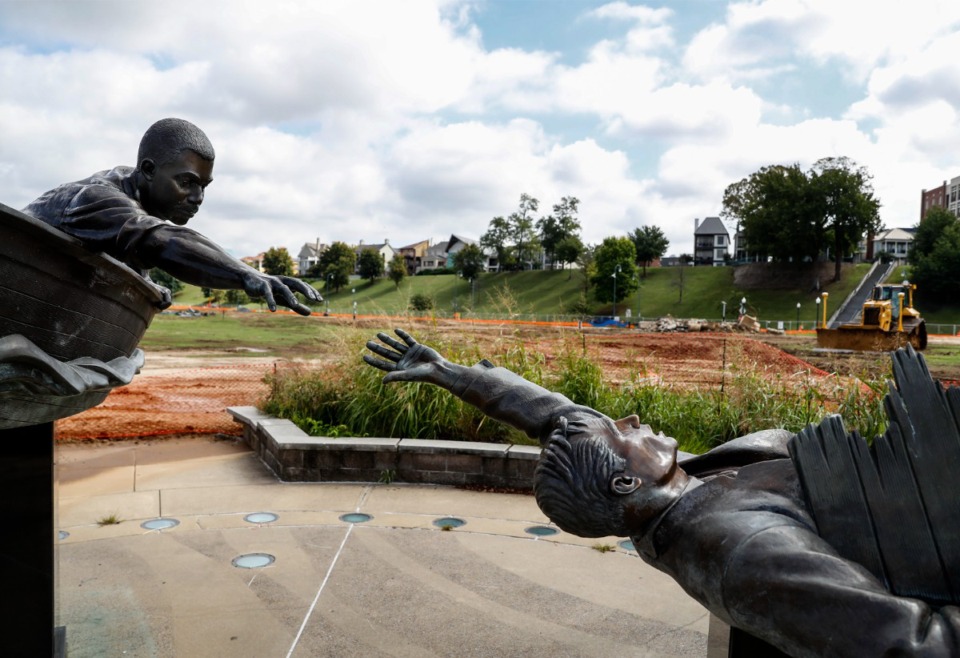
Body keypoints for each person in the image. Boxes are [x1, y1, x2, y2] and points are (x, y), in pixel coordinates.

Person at [363, 328, 960, 657]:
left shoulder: (672, 491)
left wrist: (455, 376)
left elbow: (563, 417)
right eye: (621, 434)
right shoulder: (742, 553)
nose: (628, 419)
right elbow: (912, 646)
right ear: (626, 483)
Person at [22, 117, 320, 315]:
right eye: (187, 182)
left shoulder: (131, 199)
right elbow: (160, 241)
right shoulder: (96, 198)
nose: (198, 198)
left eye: (203, 186)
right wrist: (246, 275)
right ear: (149, 170)